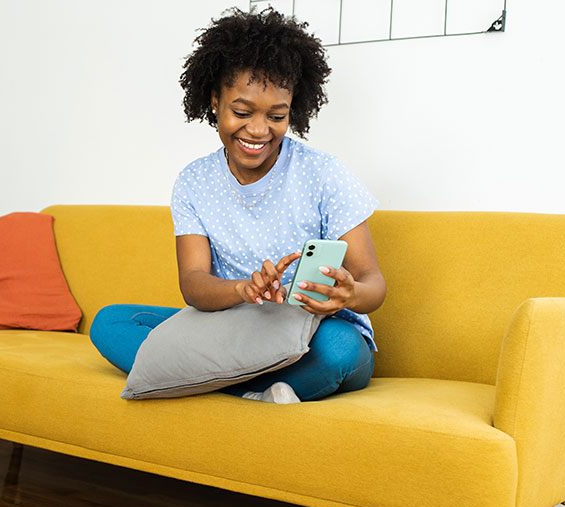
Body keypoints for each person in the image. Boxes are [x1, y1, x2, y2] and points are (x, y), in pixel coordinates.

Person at [90, 9, 386, 404]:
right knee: (111, 322)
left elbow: (374, 284)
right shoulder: (194, 181)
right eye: (242, 112)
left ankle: (212, 383)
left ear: (292, 109)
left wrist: (350, 296)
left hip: (315, 332)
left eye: (277, 116)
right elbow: (193, 285)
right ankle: (258, 390)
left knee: (341, 352)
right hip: (234, 332)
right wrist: (242, 289)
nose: (259, 130)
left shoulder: (324, 173)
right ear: (215, 101)